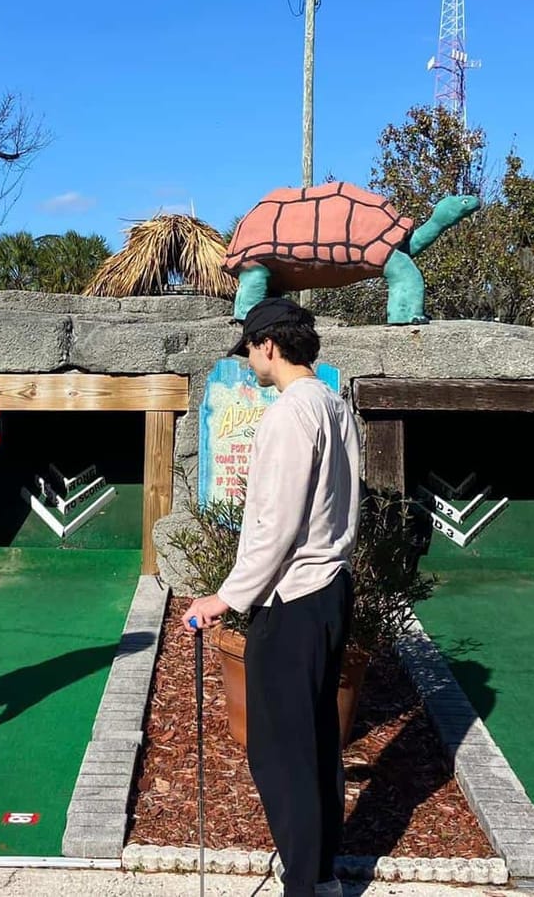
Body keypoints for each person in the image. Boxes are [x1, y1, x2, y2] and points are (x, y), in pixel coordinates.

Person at [182, 297, 361, 897]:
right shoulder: (336, 406)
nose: (250, 362)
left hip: (293, 598)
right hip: (331, 589)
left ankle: (303, 885)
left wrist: (225, 598)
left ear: (269, 345)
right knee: (315, 741)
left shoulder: (289, 414)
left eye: (250, 351)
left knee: (281, 752)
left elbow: (276, 525)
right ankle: (321, 874)